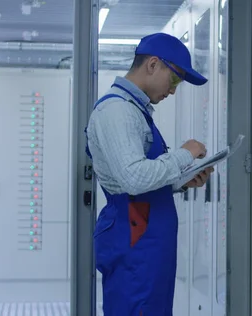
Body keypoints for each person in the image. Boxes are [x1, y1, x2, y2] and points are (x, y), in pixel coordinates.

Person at [85, 32, 214, 316]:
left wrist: (179, 182)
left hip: (145, 237)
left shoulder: (134, 110)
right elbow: (134, 178)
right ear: (153, 64)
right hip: (134, 238)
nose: (173, 91)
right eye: (176, 79)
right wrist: (185, 154)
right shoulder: (117, 110)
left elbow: (138, 177)